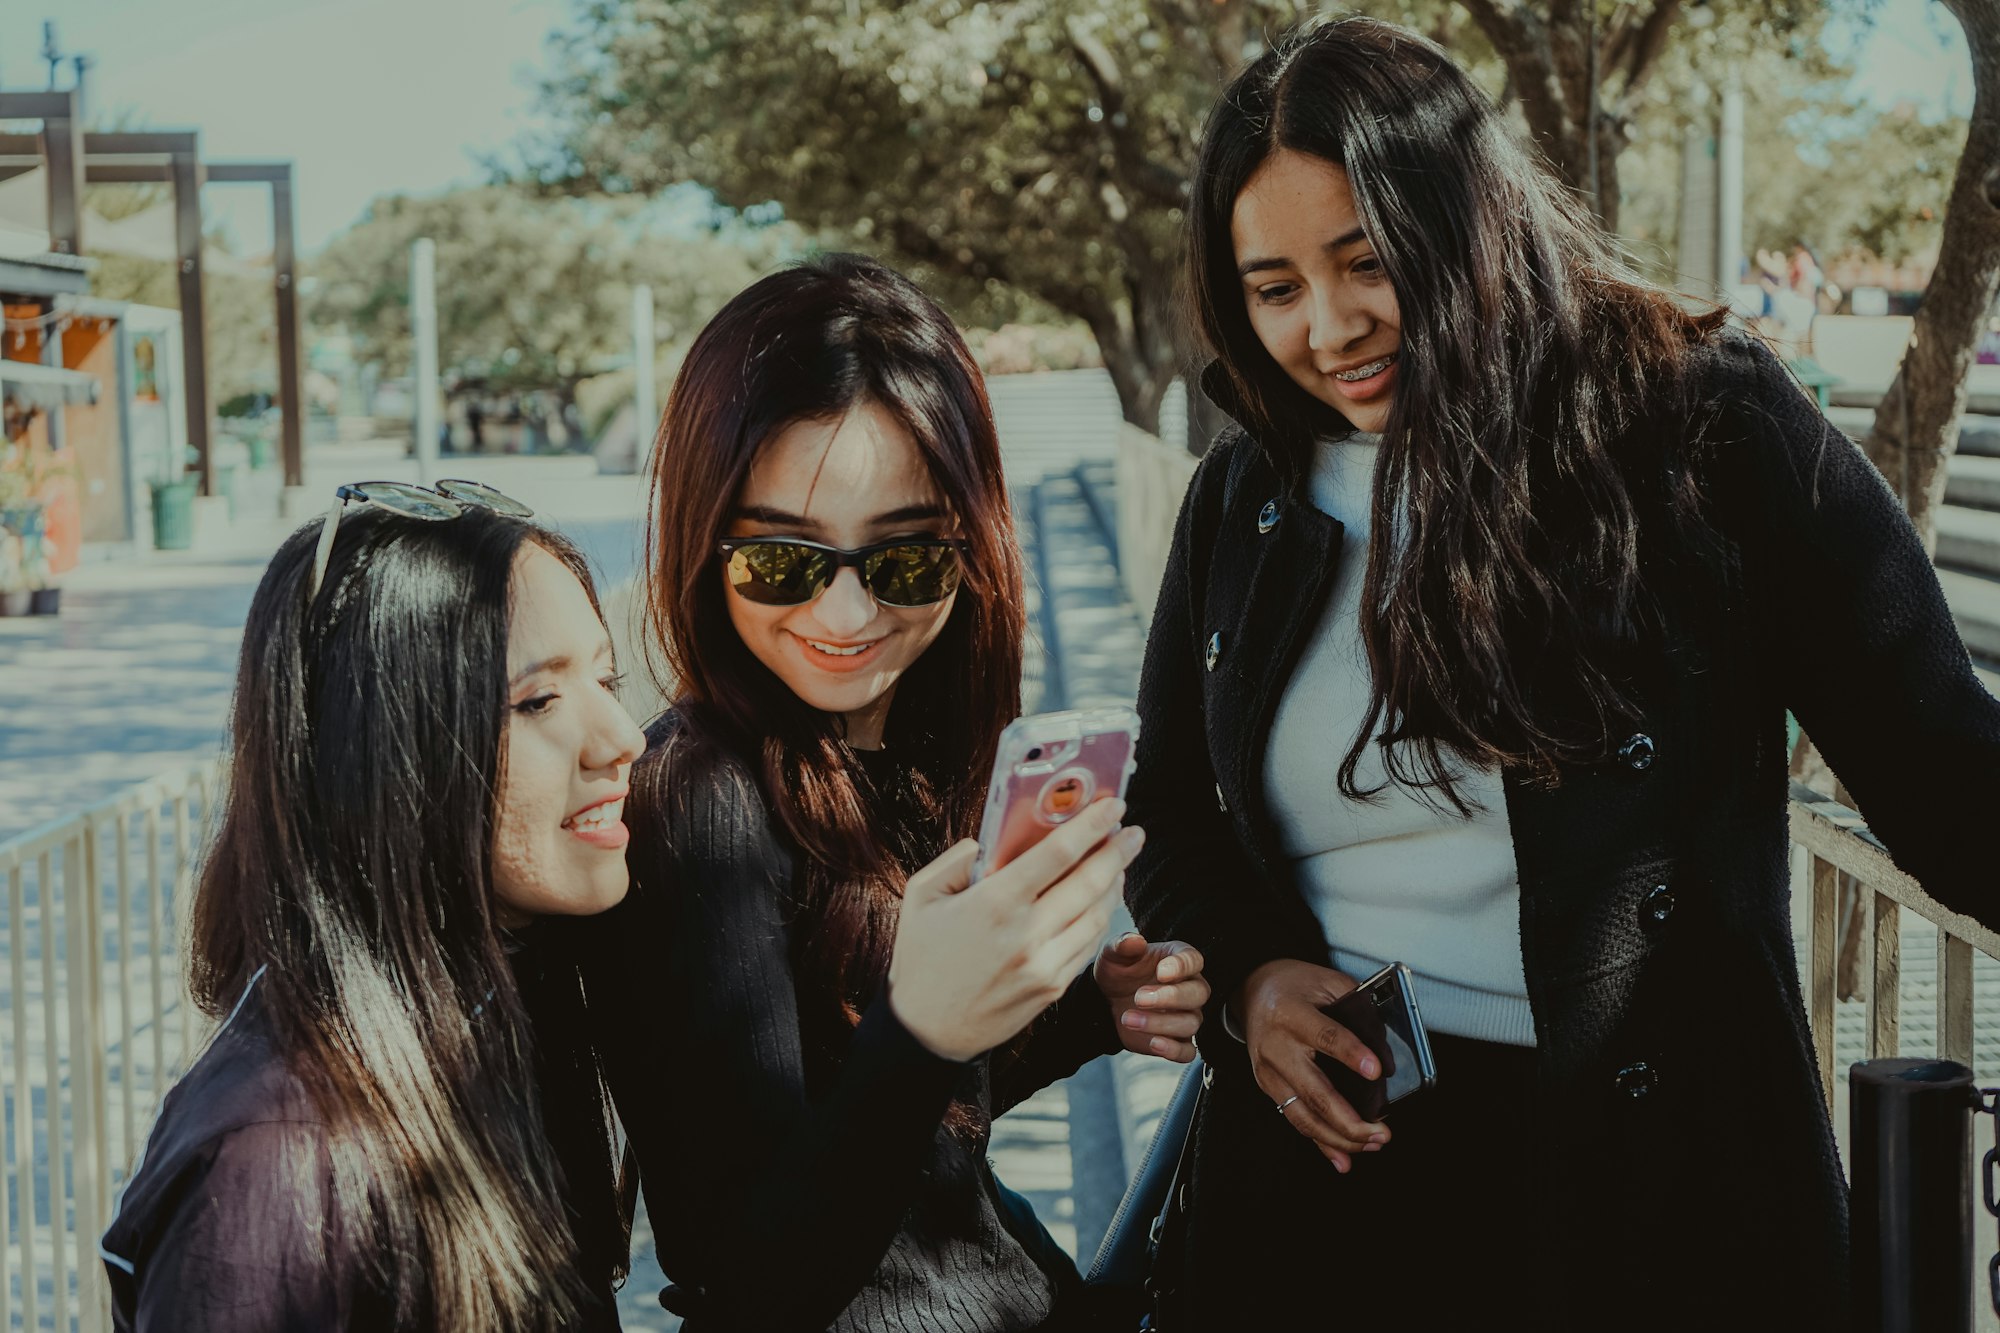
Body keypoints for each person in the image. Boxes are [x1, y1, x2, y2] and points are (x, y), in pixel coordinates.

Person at [1125, 15, 2000, 1330]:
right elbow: (1172, 812)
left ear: (1462, 221)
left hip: (1653, 1201)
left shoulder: (1702, 422)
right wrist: (1248, 982)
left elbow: (1941, 764)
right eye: (1275, 286)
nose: (1331, 325)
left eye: (1369, 261)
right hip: (1319, 1200)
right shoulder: (1238, 499)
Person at [578, 253, 1211, 1332]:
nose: (847, 610)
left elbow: (909, 1126)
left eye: (907, 562)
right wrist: (918, 1030)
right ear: (702, 537)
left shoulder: (893, 745)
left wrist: (1084, 1015)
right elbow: (748, 1277)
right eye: (781, 562)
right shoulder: (695, 806)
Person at [101, 482, 647, 1332]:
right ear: (387, 754)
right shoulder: (273, 1163)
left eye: (607, 679)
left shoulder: (500, 1003)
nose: (622, 738)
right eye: (539, 700)